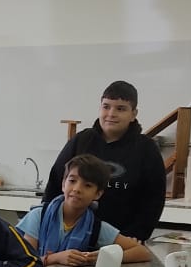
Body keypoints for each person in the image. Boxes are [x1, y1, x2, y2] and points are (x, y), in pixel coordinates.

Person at [40, 80, 167, 241]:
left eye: (120, 109)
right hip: (71, 237)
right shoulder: (81, 141)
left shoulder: (147, 149)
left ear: (133, 114)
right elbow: (54, 185)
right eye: (106, 106)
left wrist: (134, 237)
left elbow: (153, 201)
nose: (111, 114)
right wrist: (46, 224)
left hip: (122, 241)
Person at [17, 154, 152, 266]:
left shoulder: (96, 227)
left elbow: (143, 252)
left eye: (87, 185)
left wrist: (106, 257)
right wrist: (55, 258)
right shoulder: (38, 216)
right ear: (63, 184)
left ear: (98, 194)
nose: (77, 189)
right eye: (72, 181)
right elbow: (25, 261)